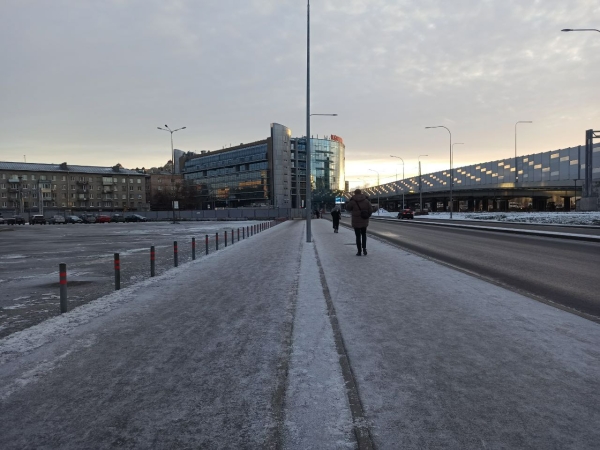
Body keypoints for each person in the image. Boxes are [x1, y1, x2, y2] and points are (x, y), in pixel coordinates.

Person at [345, 189, 374, 256]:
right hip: (364, 220)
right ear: (361, 193)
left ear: (355, 193)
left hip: (356, 221)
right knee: (364, 234)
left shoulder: (353, 201)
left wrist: (350, 202)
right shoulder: (366, 201)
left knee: (358, 236)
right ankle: (364, 249)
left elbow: (348, 208)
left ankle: (359, 251)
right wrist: (367, 215)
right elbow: (371, 210)